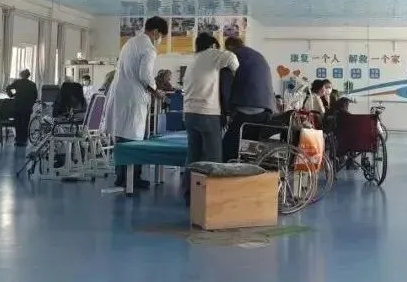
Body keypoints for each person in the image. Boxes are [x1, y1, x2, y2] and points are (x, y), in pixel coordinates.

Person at [104, 16, 168, 189]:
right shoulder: (149, 48)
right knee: (133, 138)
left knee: (120, 136)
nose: (160, 40)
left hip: (120, 94)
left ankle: (120, 177)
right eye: (161, 36)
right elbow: (145, 75)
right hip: (133, 98)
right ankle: (132, 179)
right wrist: (157, 91)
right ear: (156, 32)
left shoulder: (130, 43)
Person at [182, 33, 239, 202]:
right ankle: (213, 199)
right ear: (213, 45)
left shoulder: (194, 60)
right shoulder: (212, 54)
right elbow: (232, 58)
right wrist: (236, 72)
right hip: (207, 113)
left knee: (193, 156)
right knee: (213, 157)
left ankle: (190, 195)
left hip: (189, 114)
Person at [220, 37, 277, 162]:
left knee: (227, 148)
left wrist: (226, 111)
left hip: (246, 109)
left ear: (229, 47)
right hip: (266, 110)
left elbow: (225, 86)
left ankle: (227, 170)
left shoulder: (232, 57)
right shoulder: (258, 56)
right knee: (252, 150)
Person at [6, 69, 39, 146]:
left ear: (21, 75)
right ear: (28, 76)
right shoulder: (32, 84)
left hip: (17, 106)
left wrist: (12, 95)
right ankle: (24, 140)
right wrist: (31, 103)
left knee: (18, 124)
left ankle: (18, 140)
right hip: (27, 107)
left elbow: (8, 88)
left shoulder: (17, 82)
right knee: (25, 124)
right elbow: (35, 96)